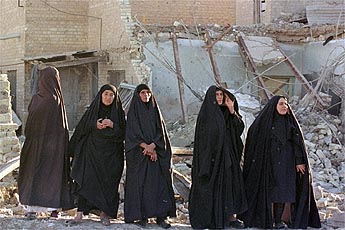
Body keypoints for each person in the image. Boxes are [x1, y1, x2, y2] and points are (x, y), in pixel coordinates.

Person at [239, 95, 321, 229]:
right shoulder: (264, 124)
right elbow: (253, 139)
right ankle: (265, 221)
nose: (284, 106)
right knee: (267, 192)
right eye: (281, 104)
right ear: (273, 107)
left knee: (283, 192)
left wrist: (299, 161)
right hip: (268, 164)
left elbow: (297, 144)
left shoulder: (290, 123)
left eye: (286, 104)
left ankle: (278, 221)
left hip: (286, 164)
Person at [18, 66, 73, 219]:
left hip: (37, 147)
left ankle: (31, 209)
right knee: (53, 176)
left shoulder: (37, 100)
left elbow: (30, 125)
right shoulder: (58, 100)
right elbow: (63, 128)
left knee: (35, 175)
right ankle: (54, 209)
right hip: (54, 149)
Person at [188, 86, 247, 229]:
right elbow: (204, 140)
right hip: (212, 158)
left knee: (231, 185)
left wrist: (232, 110)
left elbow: (239, 129)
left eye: (221, 94)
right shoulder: (206, 115)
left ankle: (231, 217)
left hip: (228, 157)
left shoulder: (228, 113)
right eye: (217, 95)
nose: (219, 97)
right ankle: (213, 217)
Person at [67, 84, 126, 226]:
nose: (108, 97)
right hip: (91, 154)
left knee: (108, 183)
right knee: (85, 181)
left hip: (111, 156)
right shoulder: (93, 111)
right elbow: (81, 128)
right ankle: (79, 214)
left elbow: (125, 134)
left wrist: (112, 125)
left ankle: (104, 214)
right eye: (106, 94)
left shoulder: (119, 113)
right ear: (101, 95)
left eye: (111, 95)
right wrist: (95, 125)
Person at [124, 84, 176, 229]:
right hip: (140, 154)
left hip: (156, 154)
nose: (145, 95)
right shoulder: (133, 113)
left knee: (159, 185)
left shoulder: (155, 111)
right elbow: (131, 134)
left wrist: (153, 146)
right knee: (141, 185)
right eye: (142, 92)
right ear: (137, 95)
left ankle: (161, 217)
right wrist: (146, 147)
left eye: (148, 92)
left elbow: (162, 132)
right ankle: (142, 217)